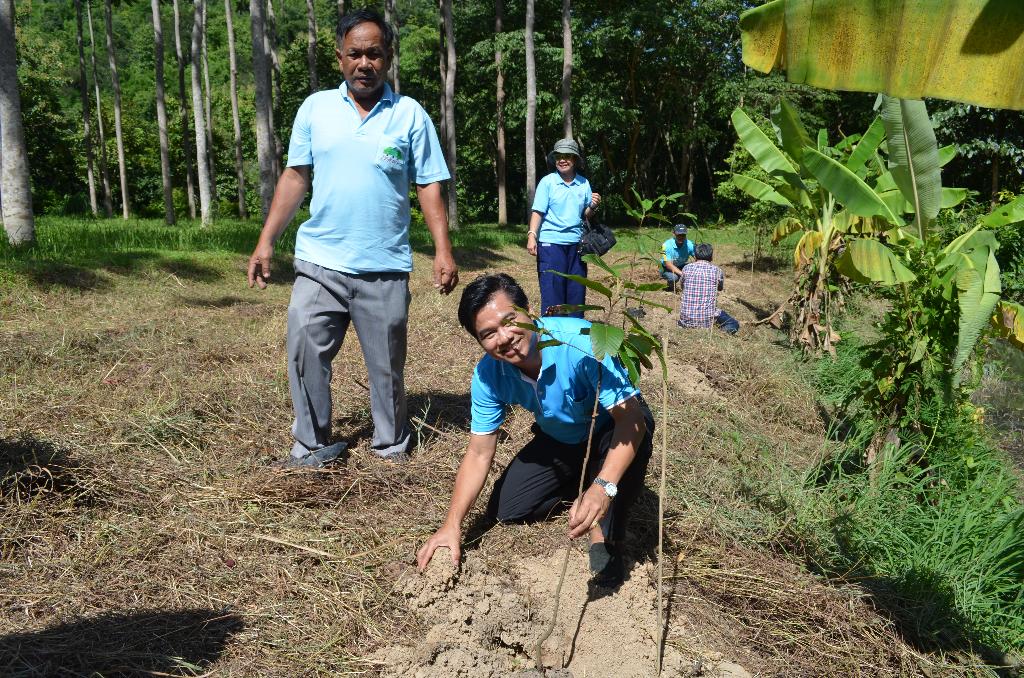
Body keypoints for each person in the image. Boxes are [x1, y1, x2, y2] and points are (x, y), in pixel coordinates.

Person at [247, 9, 458, 468]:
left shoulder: (409, 115)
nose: (365, 63)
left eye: (375, 54)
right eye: (355, 53)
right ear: (340, 57)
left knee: (386, 367)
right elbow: (296, 176)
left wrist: (442, 249)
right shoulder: (316, 108)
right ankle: (311, 445)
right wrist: (267, 241)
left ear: (387, 58)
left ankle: (390, 448)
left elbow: (428, 185)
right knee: (304, 353)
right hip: (320, 261)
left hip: (384, 267)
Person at [416, 274, 654, 587]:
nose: (504, 337)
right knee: (507, 508)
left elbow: (630, 421)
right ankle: (581, 483)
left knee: (627, 449)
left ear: (530, 310)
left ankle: (606, 528)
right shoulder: (489, 375)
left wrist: (603, 487)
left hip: (615, 428)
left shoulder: (583, 343)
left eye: (510, 320)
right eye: (488, 334)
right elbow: (478, 452)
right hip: (561, 437)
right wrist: (452, 524)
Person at [527, 139, 601, 318]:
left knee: (576, 295)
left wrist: (593, 206)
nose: (562, 160)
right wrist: (532, 235)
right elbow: (538, 211)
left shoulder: (584, 183)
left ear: (574, 159)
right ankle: (552, 337)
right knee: (553, 294)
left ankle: (574, 335)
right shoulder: (548, 182)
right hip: (551, 245)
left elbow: (584, 215)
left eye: (567, 156)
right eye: (559, 156)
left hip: (577, 246)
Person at [677, 243, 739, 334]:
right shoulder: (717, 270)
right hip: (706, 320)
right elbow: (720, 288)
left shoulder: (686, 268)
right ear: (711, 257)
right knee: (733, 323)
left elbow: (682, 286)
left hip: (685, 319)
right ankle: (721, 333)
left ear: (695, 256)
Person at [660, 224, 695, 292]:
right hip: (666, 268)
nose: (681, 237)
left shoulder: (689, 244)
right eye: (678, 235)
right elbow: (668, 264)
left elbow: (697, 258)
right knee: (674, 277)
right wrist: (682, 274)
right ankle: (670, 289)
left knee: (693, 270)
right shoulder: (666, 245)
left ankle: (689, 289)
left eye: (683, 235)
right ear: (674, 234)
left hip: (681, 265)